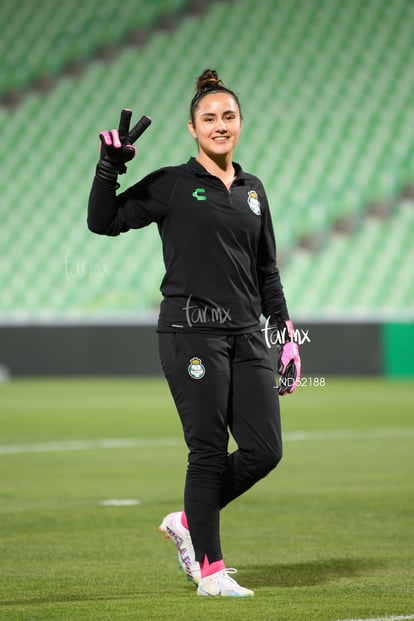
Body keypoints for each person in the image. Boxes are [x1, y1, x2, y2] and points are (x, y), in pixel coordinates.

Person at [87, 69, 301, 597]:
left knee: (264, 450)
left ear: (241, 124)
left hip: (248, 334)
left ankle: (187, 521)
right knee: (207, 450)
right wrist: (107, 169)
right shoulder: (171, 184)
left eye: (228, 116)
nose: (220, 125)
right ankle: (211, 571)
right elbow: (102, 220)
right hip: (190, 331)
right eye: (210, 118)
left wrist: (287, 334)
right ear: (192, 128)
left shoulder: (255, 191)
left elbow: (267, 270)